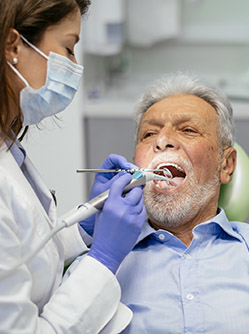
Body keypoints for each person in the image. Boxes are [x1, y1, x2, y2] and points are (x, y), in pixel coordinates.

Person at [0, 1, 146, 333]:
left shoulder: (8, 150)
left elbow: (23, 252)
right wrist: (103, 259)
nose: (74, 66)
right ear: (13, 46)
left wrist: (83, 229)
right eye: (68, 48)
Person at [114, 72, 249, 333]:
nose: (162, 141)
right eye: (149, 134)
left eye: (188, 130)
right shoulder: (104, 262)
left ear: (226, 164)